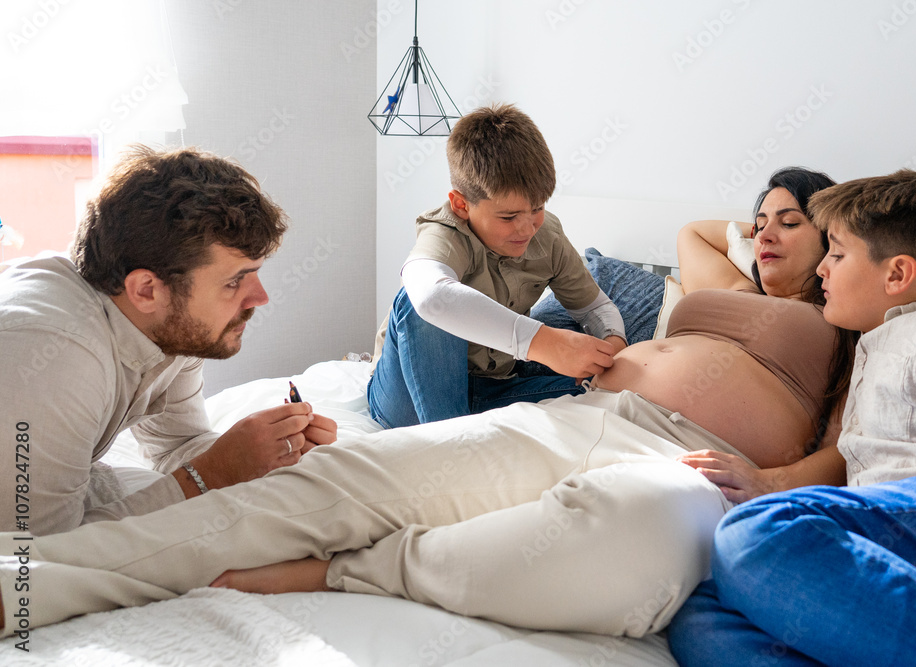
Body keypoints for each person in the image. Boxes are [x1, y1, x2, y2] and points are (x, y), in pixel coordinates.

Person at [0, 167, 849, 639]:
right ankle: (25, 591)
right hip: (577, 416)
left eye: (796, 223)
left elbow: (850, 452)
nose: (765, 229)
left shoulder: (851, 327)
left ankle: (350, 569)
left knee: (624, 546)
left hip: (694, 458)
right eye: (759, 216)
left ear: (853, 247)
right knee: (341, 479)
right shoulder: (720, 279)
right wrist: (768, 239)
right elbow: (693, 234)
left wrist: (772, 478)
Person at [668, 170, 916, 666]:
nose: (821, 270)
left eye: (837, 255)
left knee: (758, 530)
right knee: (703, 616)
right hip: (898, 543)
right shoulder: (870, 346)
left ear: (897, 274)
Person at [0, 146, 338, 536]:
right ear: (146, 290)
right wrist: (216, 472)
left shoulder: (169, 325)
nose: (260, 298)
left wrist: (267, 455)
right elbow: (32, 557)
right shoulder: (52, 358)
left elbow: (177, 445)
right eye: (233, 281)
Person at [367, 103, 627, 429]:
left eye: (537, 208)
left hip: (494, 388)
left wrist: (613, 346)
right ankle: (450, 444)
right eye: (508, 217)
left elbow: (595, 308)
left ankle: (460, 429)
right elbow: (428, 297)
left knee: (618, 395)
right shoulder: (445, 231)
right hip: (405, 395)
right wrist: (544, 344)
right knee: (415, 301)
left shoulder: (548, 235)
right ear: (461, 205)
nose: (526, 228)